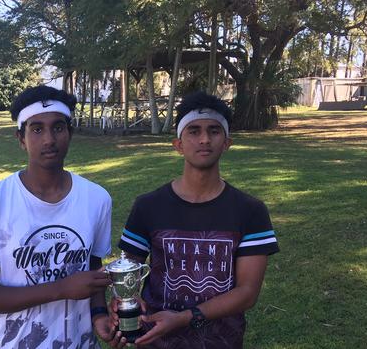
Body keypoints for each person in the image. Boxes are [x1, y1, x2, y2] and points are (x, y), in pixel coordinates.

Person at [110, 91, 279, 348]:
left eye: (214, 131)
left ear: (226, 142)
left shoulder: (250, 211)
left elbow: (247, 293)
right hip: (157, 341)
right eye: (193, 131)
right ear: (178, 144)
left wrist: (185, 318)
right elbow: (128, 272)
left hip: (221, 341)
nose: (204, 139)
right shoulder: (148, 206)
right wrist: (123, 306)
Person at [0, 85, 120, 348]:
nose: (49, 139)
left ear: (70, 132)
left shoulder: (96, 198)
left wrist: (99, 315)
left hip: (79, 342)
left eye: (58, 127)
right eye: (36, 129)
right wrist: (61, 289)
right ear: (21, 138)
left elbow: (93, 268)